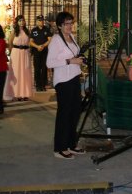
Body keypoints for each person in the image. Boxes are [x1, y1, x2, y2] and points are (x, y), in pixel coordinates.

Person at [46, 11, 85, 159]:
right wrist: (70, 61)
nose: (70, 26)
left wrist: (79, 59)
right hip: (63, 81)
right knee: (64, 114)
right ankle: (60, 148)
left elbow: (73, 56)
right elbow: (49, 63)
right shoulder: (56, 40)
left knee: (75, 112)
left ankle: (71, 144)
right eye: (66, 23)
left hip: (74, 78)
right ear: (60, 26)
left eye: (71, 23)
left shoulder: (72, 37)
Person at [6, 15, 34, 101]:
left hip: (25, 53)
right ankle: (17, 94)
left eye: (23, 21)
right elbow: (10, 43)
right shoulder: (14, 31)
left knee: (25, 72)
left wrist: (29, 52)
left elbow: (30, 42)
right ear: (17, 22)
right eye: (20, 21)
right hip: (16, 53)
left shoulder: (27, 31)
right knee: (17, 73)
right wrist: (12, 53)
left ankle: (25, 93)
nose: (22, 22)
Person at [29, 15, 52, 92]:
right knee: (37, 69)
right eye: (39, 20)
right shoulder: (33, 30)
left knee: (44, 68)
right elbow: (31, 42)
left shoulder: (47, 29)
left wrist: (43, 46)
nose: (41, 22)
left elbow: (49, 40)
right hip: (36, 52)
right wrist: (37, 46)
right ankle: (38, 85)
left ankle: (43, 85)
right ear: (36, 21)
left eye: (42, 20)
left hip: (45, 52)